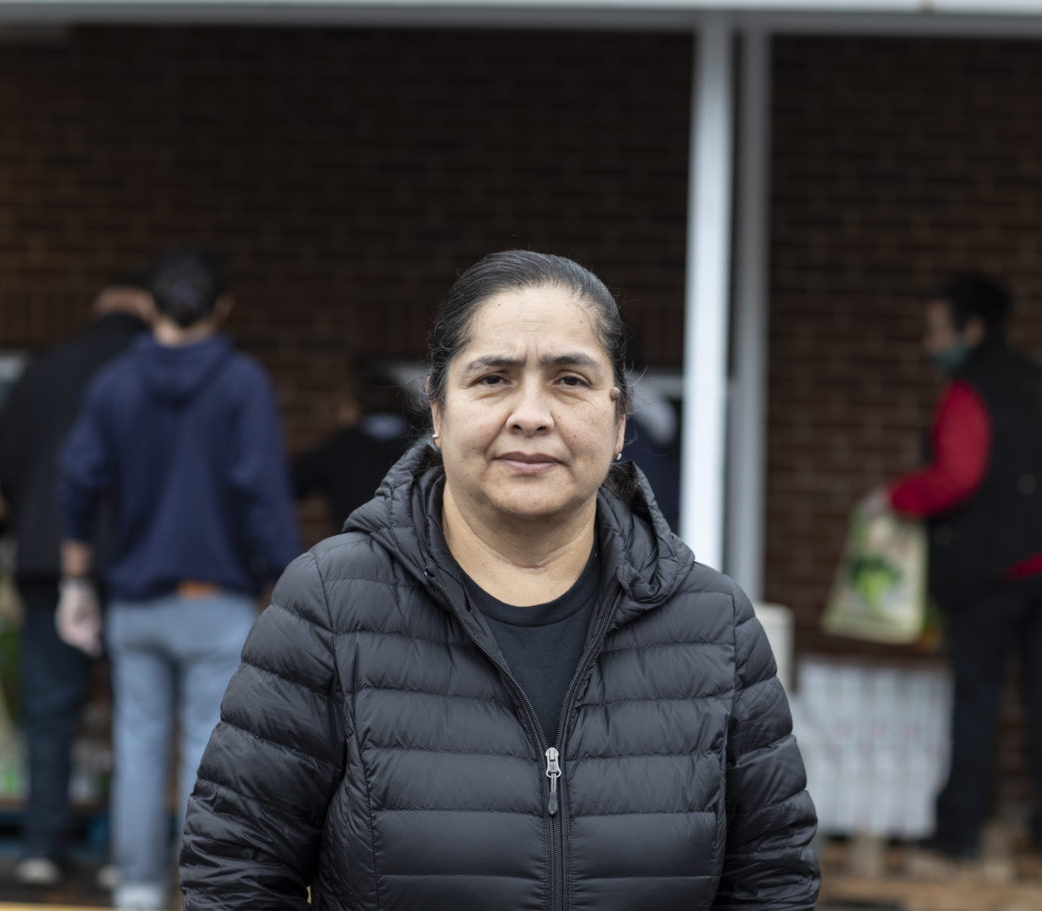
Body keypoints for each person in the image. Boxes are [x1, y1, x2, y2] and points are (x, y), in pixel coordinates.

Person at [179, 250, 820, 910]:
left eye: (570, 379)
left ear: (619, 418)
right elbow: (235, 874)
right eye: (493, 378)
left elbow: (773, 882)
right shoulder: (330, 606)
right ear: (437, 411)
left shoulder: (715, 627)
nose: (531, 414)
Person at [57, 248, 301, 910]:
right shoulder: (242, 383)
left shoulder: (114, 382)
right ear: (223, 307)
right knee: (207, 754)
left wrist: (75, 583)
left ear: (148, 305)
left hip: (133, 601)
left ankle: (136, 891)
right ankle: (203, 893)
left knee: (137, 750)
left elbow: (76, 481)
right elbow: (262, 496)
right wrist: (289, 588)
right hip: (215, 602)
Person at [866, 274, 1042, 859]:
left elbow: (957, 477)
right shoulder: (1035, 378)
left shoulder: (967, 390)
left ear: (971, 330)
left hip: (997, 568)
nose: (927, 344)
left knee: (977, 696)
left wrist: (893, 498)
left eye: (935, 331)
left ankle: (959, 833)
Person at [0, 278, 153, 886]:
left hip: (46, 557)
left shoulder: (42, 369)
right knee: (136, 711)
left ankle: (41, 847)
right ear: (146, 305)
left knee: (49, 710)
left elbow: (4, 461)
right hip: (135, 560)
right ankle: (125, 856)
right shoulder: (152, 370)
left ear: (97, 306)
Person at [291, 356, 412, 533]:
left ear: (355, 405)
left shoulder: (337, 449)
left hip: (354, 544)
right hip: (417, 548)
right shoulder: (428, 447)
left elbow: (288, 486)